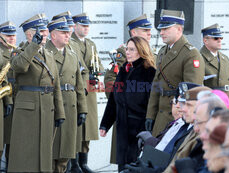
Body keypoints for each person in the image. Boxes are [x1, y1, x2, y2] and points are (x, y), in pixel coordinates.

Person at [8, 13, 65, 172]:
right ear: (29, 34)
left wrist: (60, 112)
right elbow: (19, 67)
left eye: (46, 31)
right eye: (42, 31)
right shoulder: (19, 51)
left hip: (47, 107)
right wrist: (33, 45)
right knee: (26, 152)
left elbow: (56, 84)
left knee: (44, 152)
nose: (45, 34)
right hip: (28, 110)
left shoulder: (49, 54)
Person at [100, 36, 156, 172]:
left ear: (141, 51)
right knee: (122, 166)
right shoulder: (124, 69)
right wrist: (105, 124)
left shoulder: (149, 72)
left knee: (135, 167)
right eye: (127, 49)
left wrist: (148, 127)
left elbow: (152, 103)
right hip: (122, 128)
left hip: (139, 130)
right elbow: (114, 99)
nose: (128, 52)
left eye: (132, 49)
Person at [146, 9, 205, 137]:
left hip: (177, 118)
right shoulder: (163, 51)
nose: (161, 33)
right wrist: (150, 115)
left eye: (166, 29)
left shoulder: (190, 54)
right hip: (160, 118)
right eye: (161, 29)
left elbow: (192, 92)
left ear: (179, 29)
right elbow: (156, 86)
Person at [45, 17, 88, 172]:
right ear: (53, 35)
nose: (67, 35)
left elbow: (79, 84)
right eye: (63, 32)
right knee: (51, 151)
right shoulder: (44, 52)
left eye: (68, 32)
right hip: (52, 105)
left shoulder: (72, 55)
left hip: (70, 105)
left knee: (65, 152)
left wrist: (82, 109)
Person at [72, 12, 104, 173]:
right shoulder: (70, 42)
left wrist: (97, 73)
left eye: (87, 25)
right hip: (77, 89)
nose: (86, 28)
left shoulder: (91, 44)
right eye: (83, 25)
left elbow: (98, 63)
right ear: (75, 26)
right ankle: (74, 163)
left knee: (88, 128)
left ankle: (84, 162)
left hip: (89, 91)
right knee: (76, 128)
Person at [201, 23, 229, 109]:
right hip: (212, 107)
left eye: (221, 38)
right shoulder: (200, 58)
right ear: (205, 40)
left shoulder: (225, 59)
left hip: (228, 107)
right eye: (216, 38)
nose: (219, 40)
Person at [0, 21, 16, 168]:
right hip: (5, 99)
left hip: (16, 99)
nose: (11, 38)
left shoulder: (16, 52)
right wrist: (8, 100)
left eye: (13, 35)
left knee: (13, 137)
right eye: (7, 35)